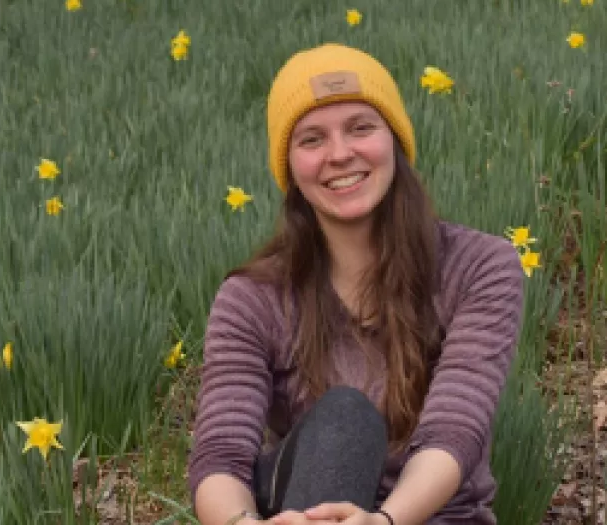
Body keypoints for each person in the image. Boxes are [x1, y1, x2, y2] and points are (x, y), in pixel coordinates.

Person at [188, 43, 525, 525]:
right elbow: (221, 456)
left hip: (434, 518)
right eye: (311, 139)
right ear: (290, 167)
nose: (340, 154)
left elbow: (456, 429)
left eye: (360, 128)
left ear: (394, 140)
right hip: (303, 509)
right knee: (344, 423)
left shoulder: (478, 266)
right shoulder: (253, 298)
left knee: (349, 421)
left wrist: (383, 522)